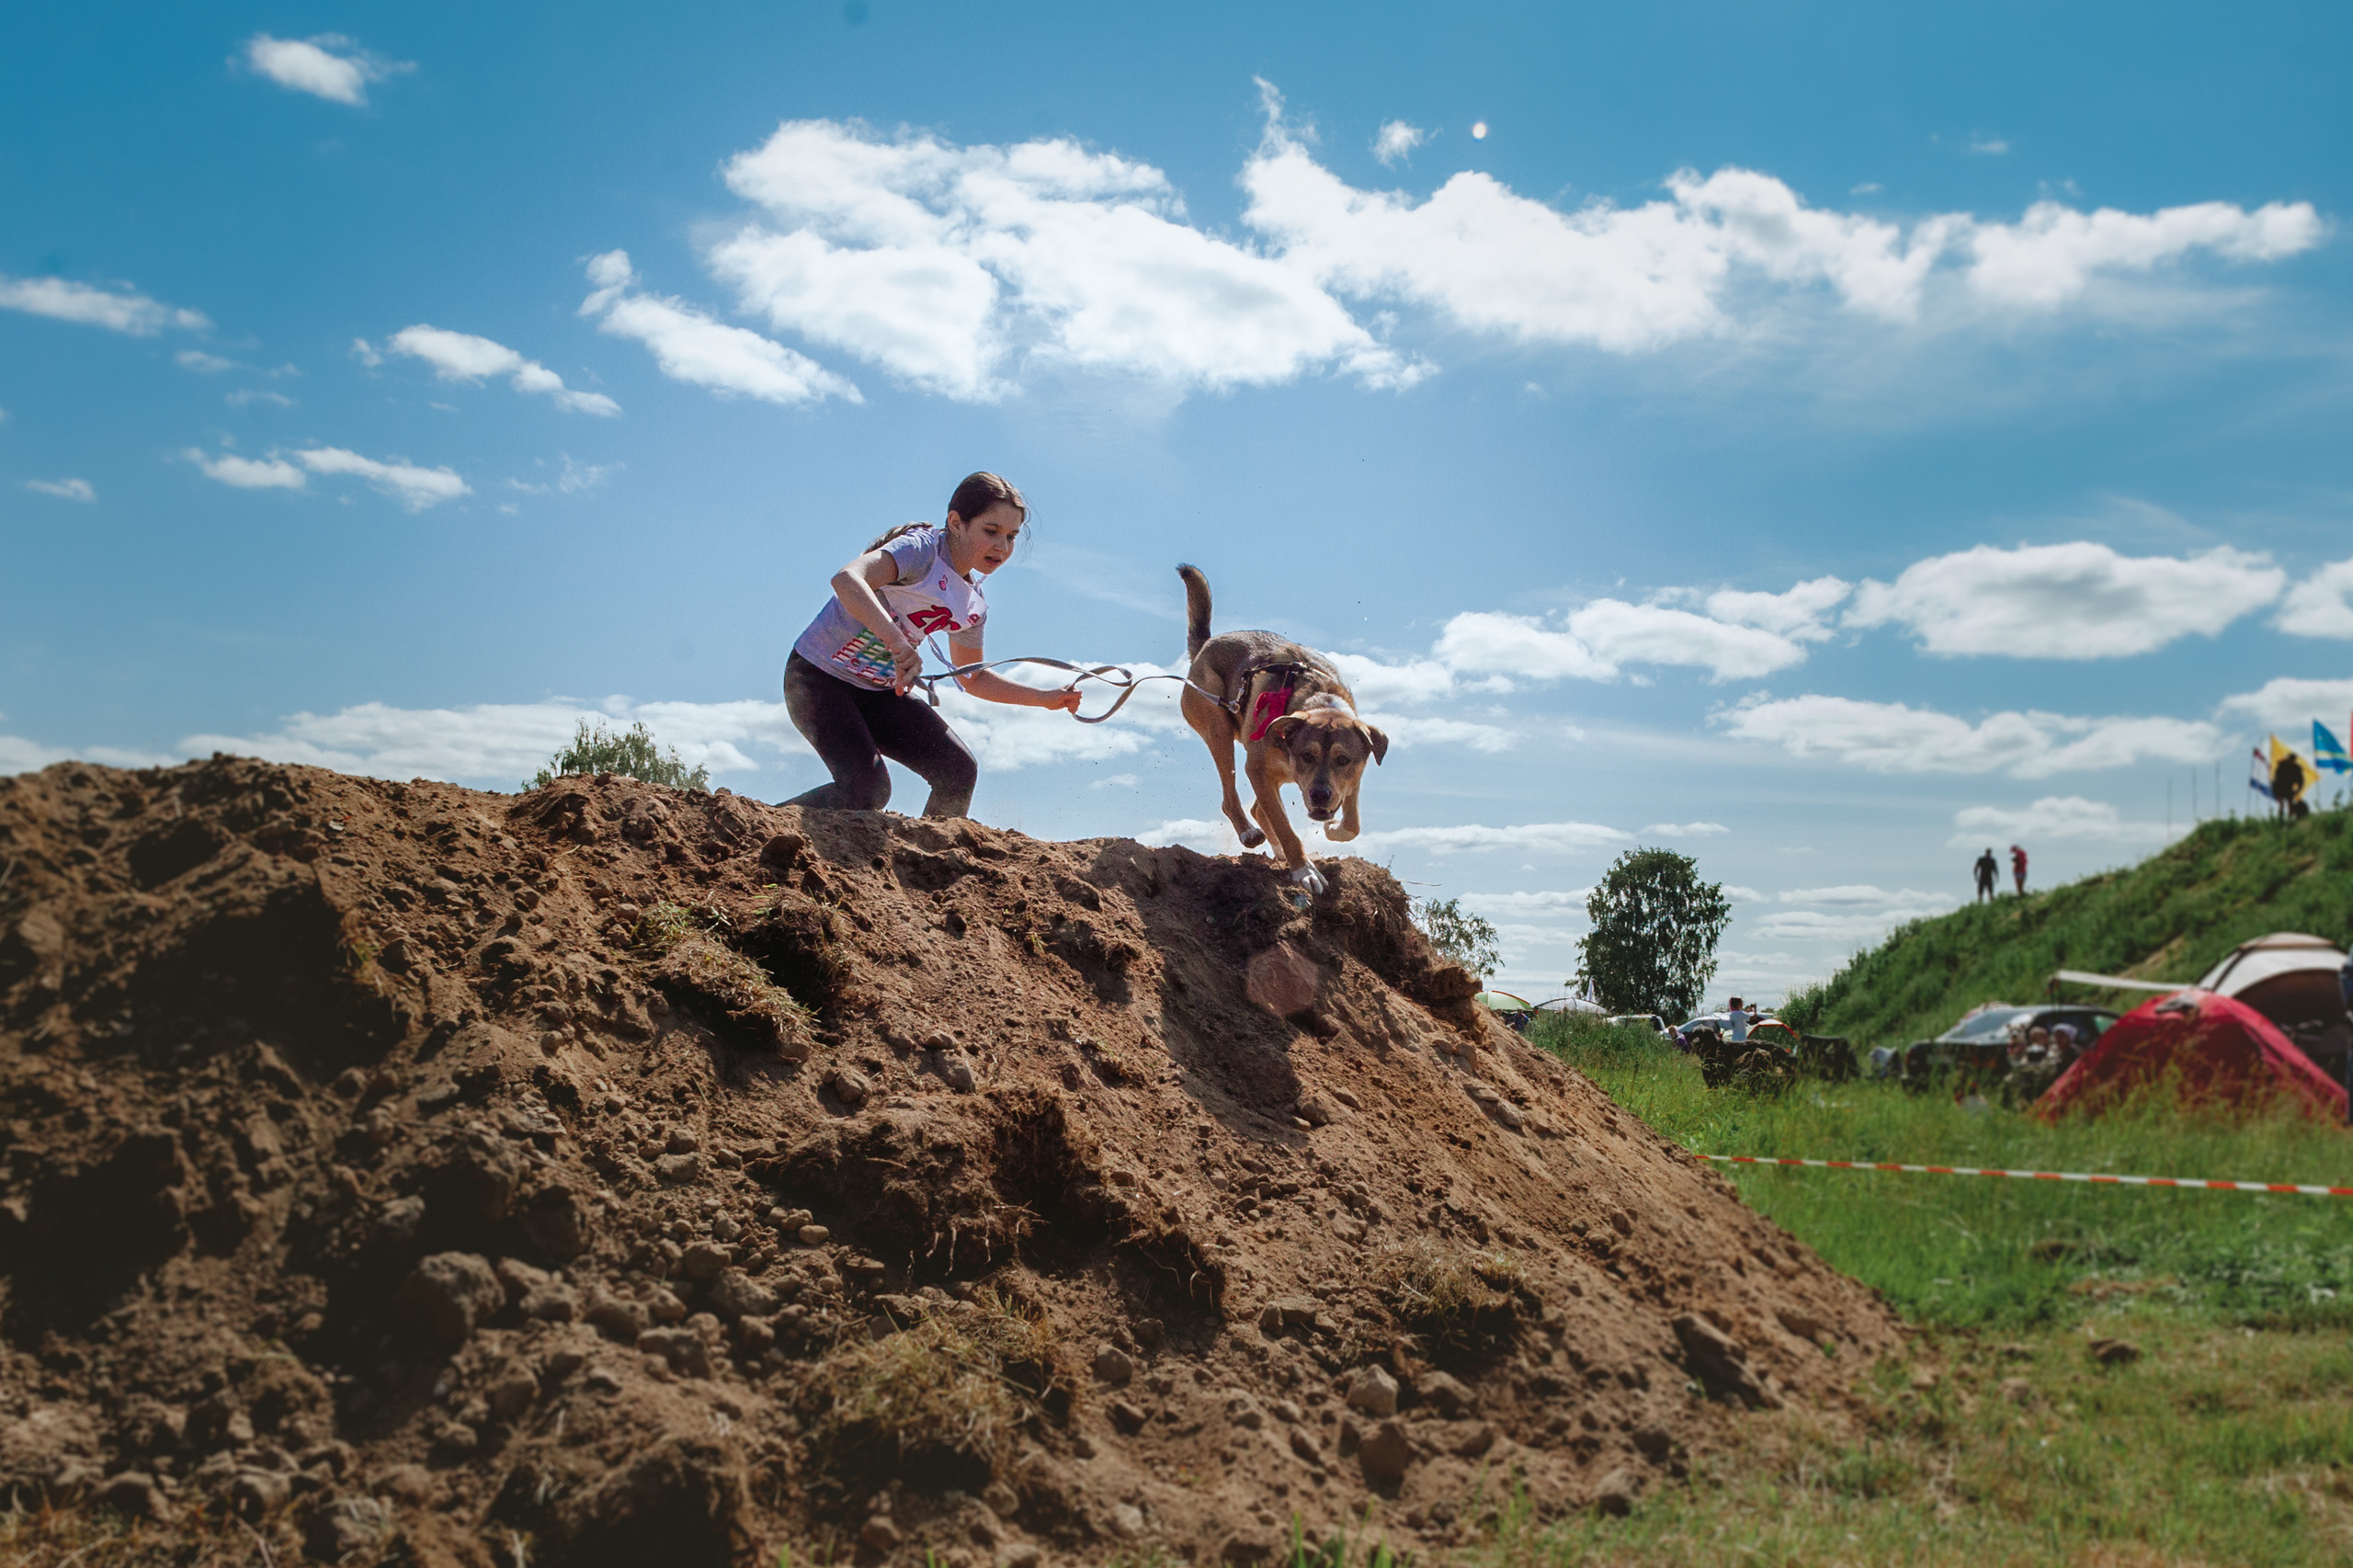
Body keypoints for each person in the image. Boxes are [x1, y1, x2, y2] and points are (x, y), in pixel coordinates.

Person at [783, 472, 1079, 818]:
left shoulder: (972, 604)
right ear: (956, 522)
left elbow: (974, 679)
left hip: (877, 692)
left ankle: (932, 862)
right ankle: (765, 828)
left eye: (1012, 537)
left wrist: (1046, 698)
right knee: (867, 789)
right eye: (991, 531)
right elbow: (847, 579)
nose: (1002, 546)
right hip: (817, 678)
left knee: (958, 771)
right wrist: (896, 642)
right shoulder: (920, 549)